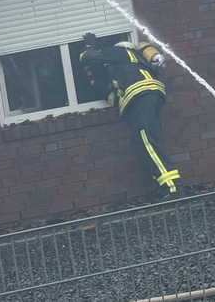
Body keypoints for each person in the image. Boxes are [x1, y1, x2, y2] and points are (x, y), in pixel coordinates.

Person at [78, 35, 184, 201]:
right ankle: (163, 185)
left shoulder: (120, 51)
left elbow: (87, 57)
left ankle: (173, 187)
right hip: (147, 96)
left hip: (140, 95)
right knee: (140, 142)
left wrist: (88, 46)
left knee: (146, 141)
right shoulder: (137, 61)